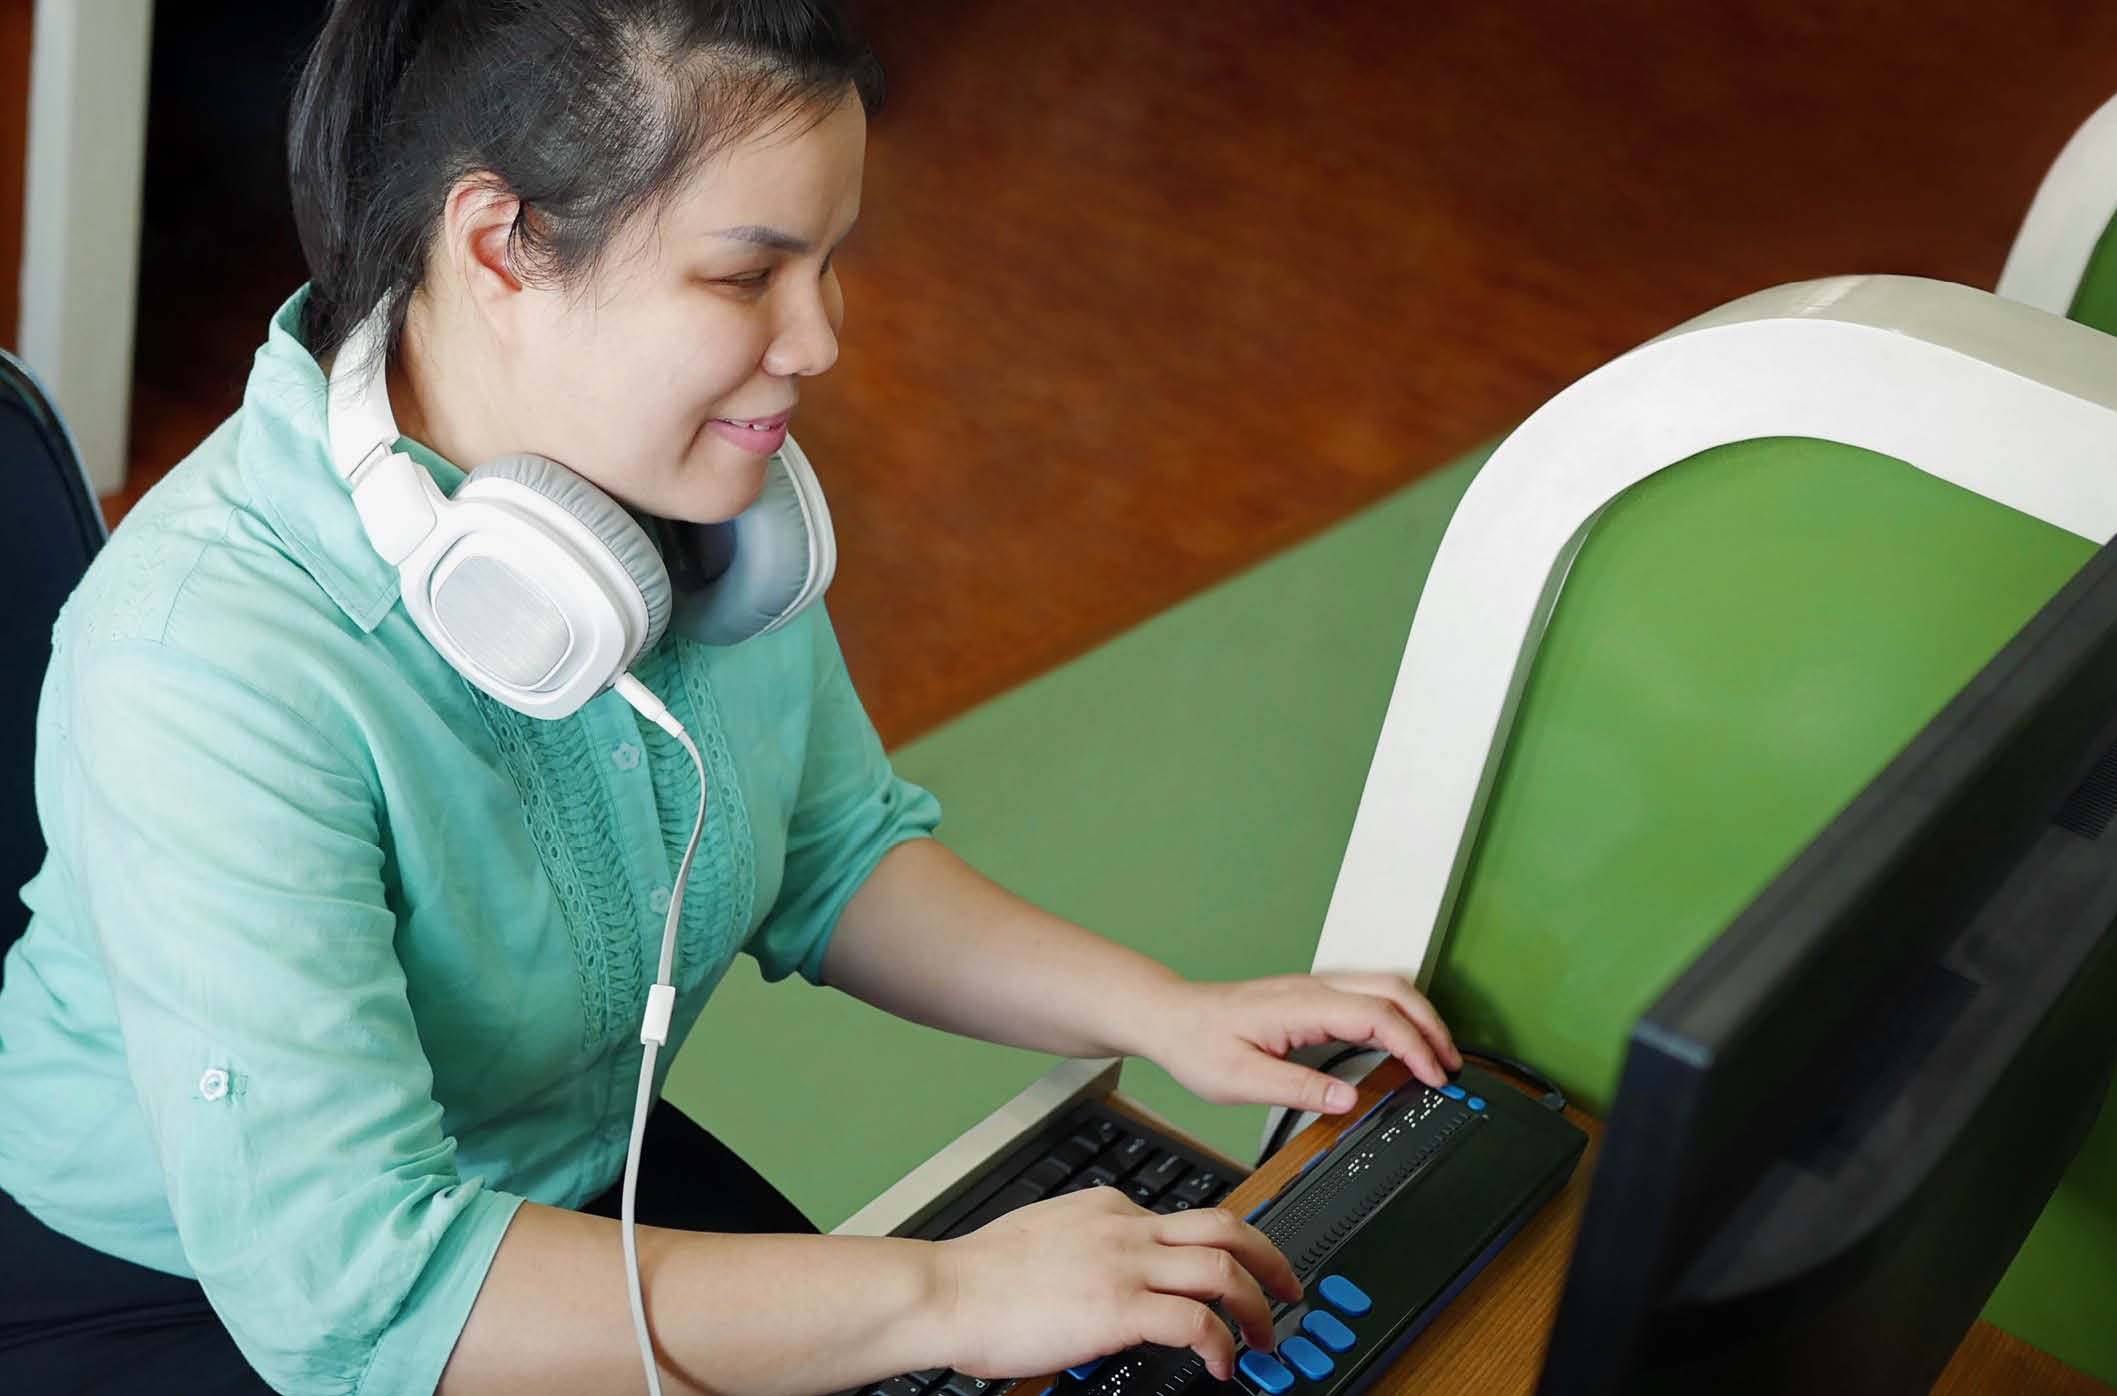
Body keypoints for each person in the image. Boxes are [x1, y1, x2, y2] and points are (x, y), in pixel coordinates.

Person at [0, 3, 1462, 1393]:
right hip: (202, 1293)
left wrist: (1164, 1012)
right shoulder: (204, 664)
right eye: (746, 272)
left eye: (827, 260)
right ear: (502, 245)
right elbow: (362, 1299)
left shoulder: (683, 516)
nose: (822, 336)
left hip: (561, 1191)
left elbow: (834, 850)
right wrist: (948, 1291)